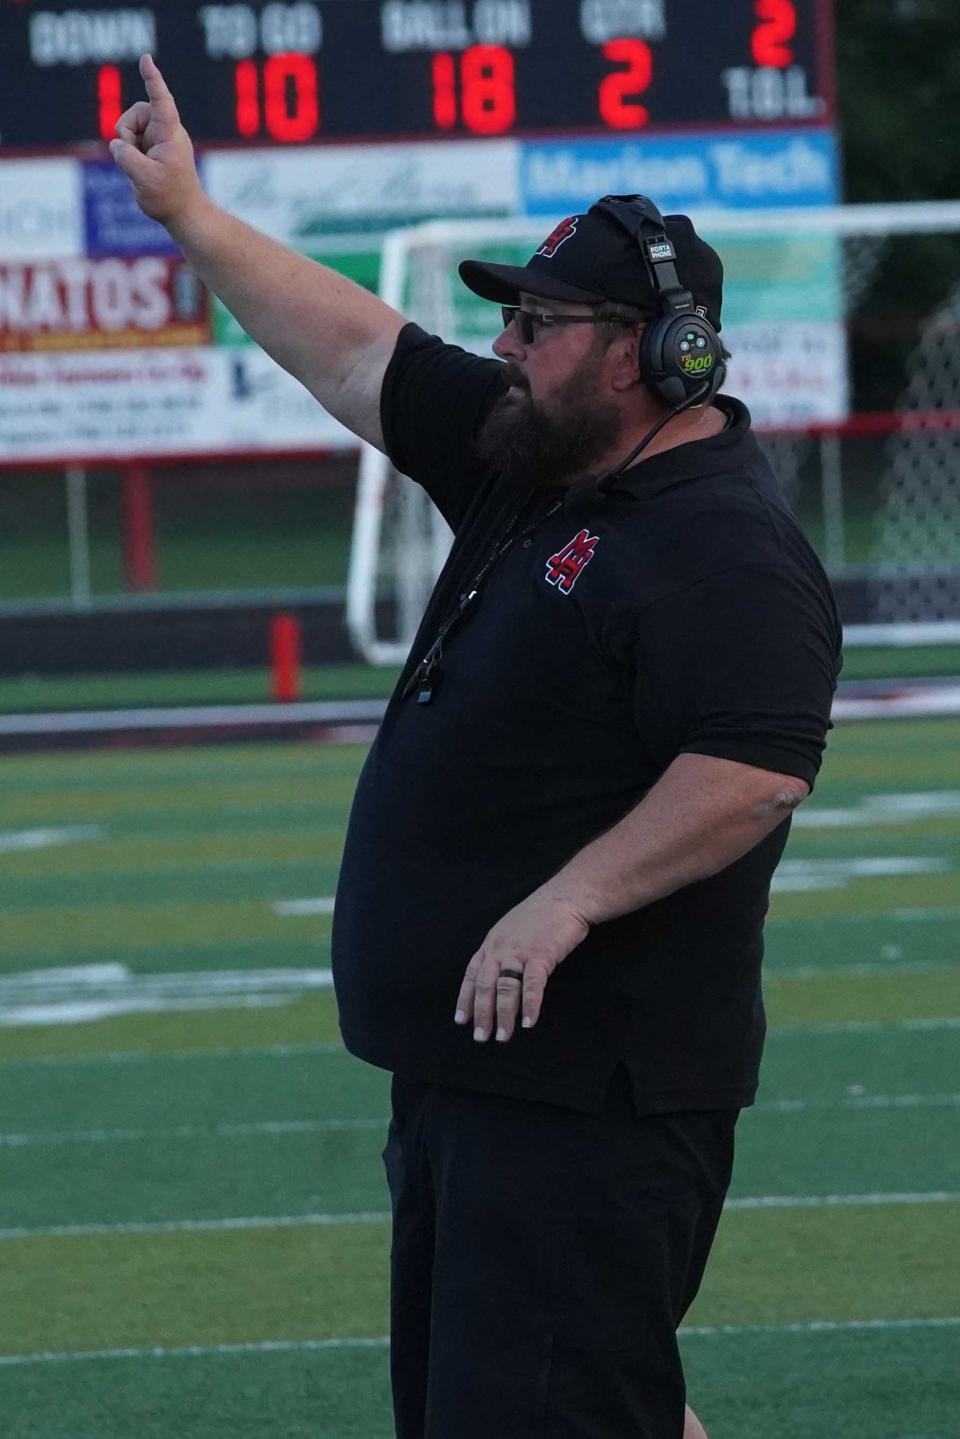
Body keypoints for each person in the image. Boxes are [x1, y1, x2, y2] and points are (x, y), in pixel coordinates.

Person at [111, 55, 842, 1439]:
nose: (509, 348)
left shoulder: (720, 547)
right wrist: (192, 216)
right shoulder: (538, 459)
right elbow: (353, 347)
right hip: (480, 1081)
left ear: (649, 352)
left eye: (544, 325)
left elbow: (754, 764)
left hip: (589, 1098)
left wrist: (567, 898)